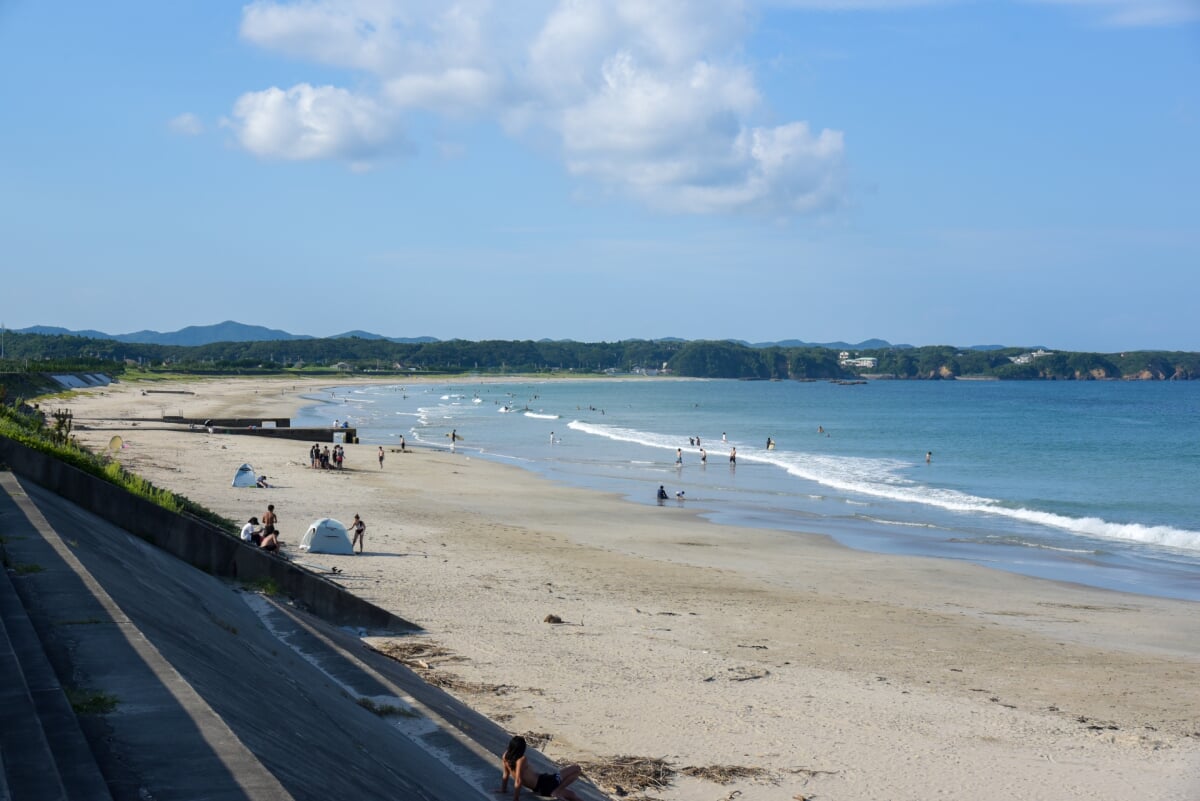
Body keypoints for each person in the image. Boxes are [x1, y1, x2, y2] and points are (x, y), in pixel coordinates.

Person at [498, 735, 583, 800]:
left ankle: (557, 791)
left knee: (572, 795)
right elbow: (518, 780)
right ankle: (557, 791)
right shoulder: (521, 759)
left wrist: (503, 789)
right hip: (544, 784)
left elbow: (505, 775)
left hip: (542, 783)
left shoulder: (505, 756)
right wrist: (515, 799)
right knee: (576, 769)